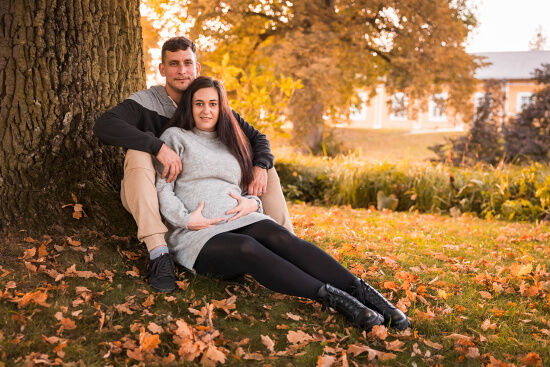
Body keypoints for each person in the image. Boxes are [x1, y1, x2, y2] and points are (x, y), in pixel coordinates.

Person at [156, 76, 410, 331]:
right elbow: (163, 188)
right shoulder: (176, 137)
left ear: (222, 106)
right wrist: (187, 219)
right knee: (247, 247)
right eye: (199, 104)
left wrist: (253, 204)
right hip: (200, 235)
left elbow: (247, 188)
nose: (206, 110)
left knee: (281, 237)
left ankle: (370, 297)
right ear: (189, 106)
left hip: (240, 217)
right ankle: (339, 301)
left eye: (213, 103)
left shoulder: (232, 139)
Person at [93, 37, 293, 293]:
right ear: (162, 69)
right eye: (174, 64)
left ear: (197, 68)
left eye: (187, 63)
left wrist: (261, 165)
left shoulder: (208, 102)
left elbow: (257, 138)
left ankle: (287, 243)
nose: (182, 70)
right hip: (155, 192)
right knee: (137, 152)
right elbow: (105, 125)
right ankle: (159, 254)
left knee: (266, 166)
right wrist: (158, 147)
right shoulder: (146, 102)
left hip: (205, 196)